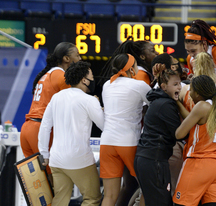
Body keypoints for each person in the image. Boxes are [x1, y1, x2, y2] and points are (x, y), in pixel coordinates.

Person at [97, 38, 157, 206]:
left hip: (107, 142)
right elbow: (155, 105)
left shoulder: (107, 86)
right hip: (128, 141)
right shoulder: (139, 85)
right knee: (147, 189)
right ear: (131, 68)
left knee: (109, 196)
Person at [38, 61, 104, 206]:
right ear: (84, 80)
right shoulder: (88, 100)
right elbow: (104, 125)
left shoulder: (56, 97)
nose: (93, 80)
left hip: (56, 159)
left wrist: (45, 154)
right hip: (79, 158)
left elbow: (45, 126)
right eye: (91, 76)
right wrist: (98, 106)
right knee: (92, 199)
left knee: (59, 201)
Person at [20, 42, 81, 183]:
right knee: (53, 182)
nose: (80, 58)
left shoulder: (47, 74)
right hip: (41, 131)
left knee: (38, 186)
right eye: (77, 55)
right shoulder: (62, 76)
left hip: (27, 129)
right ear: (67, 59)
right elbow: (75, 104)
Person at [173, 75, 216, 206]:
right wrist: (178, 104)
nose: (189, 94)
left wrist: (175, 102)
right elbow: (195, 118)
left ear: (197, 92)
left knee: (180, 204)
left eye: (191, 90)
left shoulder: (201, 106)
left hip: (199, 163)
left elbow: (179, 134)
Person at [134, 67, 182, 206]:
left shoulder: (157, 101)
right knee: (161, 203)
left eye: (179, 83)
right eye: (175, 84)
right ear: (163, 86)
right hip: (154, 160)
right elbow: (179, 133)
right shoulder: (166, 104)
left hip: (146, 158)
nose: (179, 87)